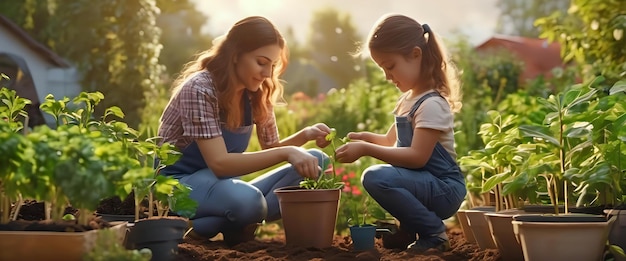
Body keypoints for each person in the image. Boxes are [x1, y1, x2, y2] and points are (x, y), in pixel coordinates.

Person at [157, 16, 332, 246]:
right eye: (261, 62)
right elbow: (219, 163)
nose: (268, 73)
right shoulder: (200, 89)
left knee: (317, 161)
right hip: (179, 185)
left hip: (224, 187)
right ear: (236, 54)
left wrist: (305, 135)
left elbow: (271, 148)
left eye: (272, 65)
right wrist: (287, 153)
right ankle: (225, 221)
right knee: (249, 201)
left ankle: (208, 225)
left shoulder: (257, 92)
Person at [335, 14, 466, 253]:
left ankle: (433, 233)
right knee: (386, 176)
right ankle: (410, 229)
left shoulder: (431, 104)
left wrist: (365, 150)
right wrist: (361, 138)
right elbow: (389, 141)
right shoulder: (409, 100)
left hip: (444, 188)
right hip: (426, 184)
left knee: (377, 177)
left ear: (416, 54)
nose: (387, 76)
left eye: (390, 66)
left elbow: (417, 157)